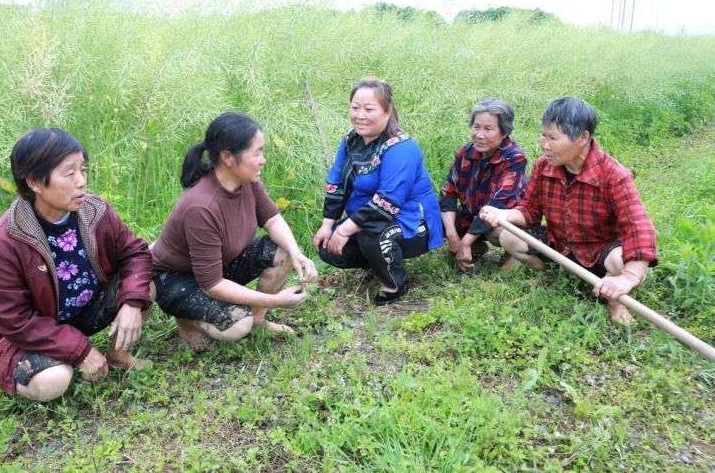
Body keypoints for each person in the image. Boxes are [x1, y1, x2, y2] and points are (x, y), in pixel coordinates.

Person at [0, 128, 155, 401]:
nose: (82, 181)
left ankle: (118, 356)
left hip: (79, 314)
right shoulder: (5, 239)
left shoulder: (96, 211)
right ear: (35, 182)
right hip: (24, 335)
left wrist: (132, 303)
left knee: (143, 289)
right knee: (53, 380)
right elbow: (13, 319)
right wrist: (80, 350)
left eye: (83, 170)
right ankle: (43, 366)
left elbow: (135, 254)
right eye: (70, 173)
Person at [480, 97, 658, 324]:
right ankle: (549, 276)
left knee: (622, 263)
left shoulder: (614, 175)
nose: (544, 144)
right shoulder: (543, 167)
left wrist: (629, 276)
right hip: (561, 245)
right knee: (508, 237)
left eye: (553, 137)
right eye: (543, 135)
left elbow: (639, 227)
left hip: (601, 249)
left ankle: (616, 301)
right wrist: (504, 215)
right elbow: (530, 210)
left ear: (583, 137)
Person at [151, 112, 317, 351]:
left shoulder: (247, 182)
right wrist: (276, 301)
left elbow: (271, 219)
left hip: (218, 265)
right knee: (238, 324)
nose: (263, 160)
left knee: (283, 250)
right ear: (228, 157)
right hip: (177, 279)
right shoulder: (201, 206)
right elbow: (212, 284)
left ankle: (258, 321)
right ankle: (187, 317)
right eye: (257, 152)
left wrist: (296, 252)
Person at [313, 77, 443, 305]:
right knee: (327, 246)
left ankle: (395, 283)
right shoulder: (350, 140)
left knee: (372, 235)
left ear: (387, 112)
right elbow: (336, 184)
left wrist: (344, 231)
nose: (360, 115)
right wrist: (328, 225)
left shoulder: (403, 147)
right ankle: (377, 262)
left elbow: (387, 203)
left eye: (369, 109)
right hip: (370, 217)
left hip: (411, 220)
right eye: (355, 108)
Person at [440, 98, 528, 271]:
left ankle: (512, 253)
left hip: (500, 218)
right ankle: (477, 247)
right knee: (435, 220)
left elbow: (498, 205)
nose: (479, 135)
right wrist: (452, 236)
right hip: (472, 214)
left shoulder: (514, 158)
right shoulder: (466, 152)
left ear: (504, 132)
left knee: (501, 232)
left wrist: (464, 243)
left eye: (488, 129)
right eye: (476, 127)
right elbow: (448, 193)